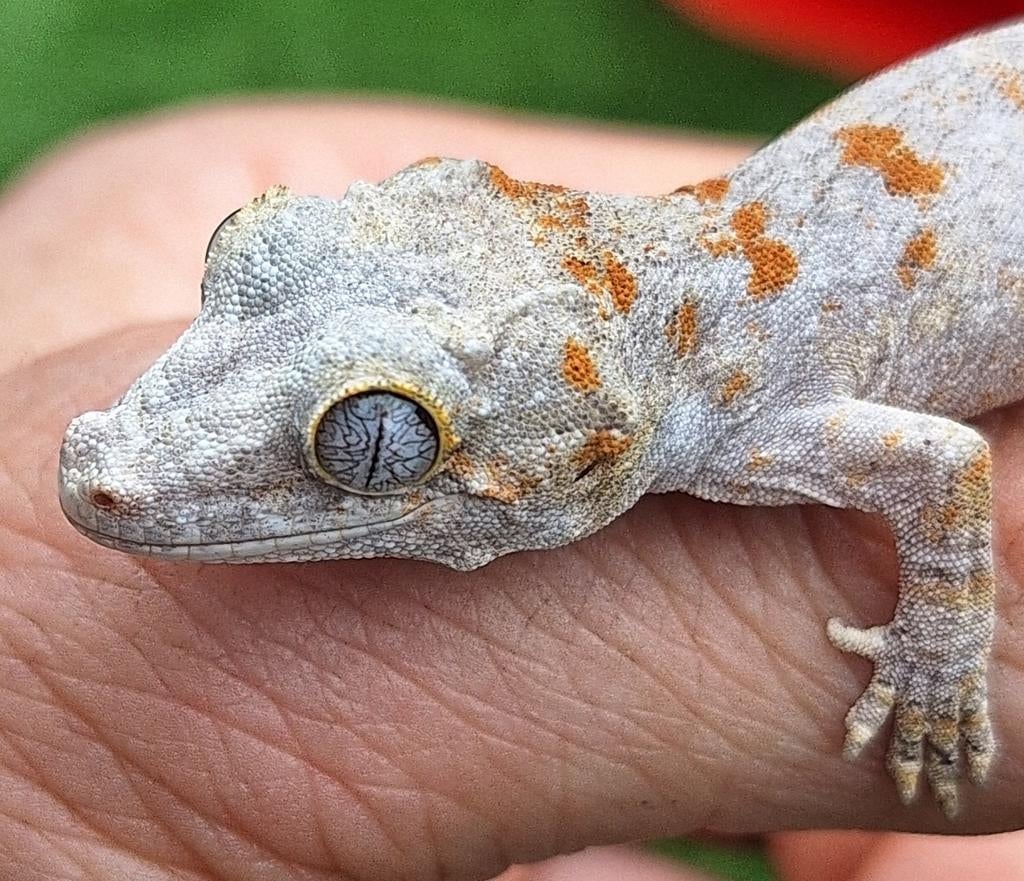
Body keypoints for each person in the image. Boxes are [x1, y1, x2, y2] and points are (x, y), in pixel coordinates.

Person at [1, 100, 1021, 880]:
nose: (118, 477)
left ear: (591, 440)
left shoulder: (745, 405)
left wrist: (940, 650)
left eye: (372, 446)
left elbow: (944, 466)